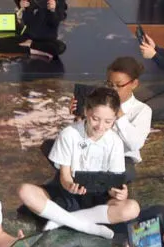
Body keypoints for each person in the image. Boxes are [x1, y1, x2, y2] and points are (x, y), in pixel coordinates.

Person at [18, 87, 140, 238]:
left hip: (99, 198)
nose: (100, 126)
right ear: (87, 111)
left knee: (132, 208)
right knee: (25, 191)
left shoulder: (115, 141)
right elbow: (65, 177)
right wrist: (71, 186)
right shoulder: (69, 134)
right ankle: (85, 226)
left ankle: (63, 221)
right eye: (95, 119)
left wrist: (118, 192)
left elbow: (113, 183)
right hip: (67, 194)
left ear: (115, 118)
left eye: (108, 121)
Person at [68, 57, 152, 180]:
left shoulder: (142, 110)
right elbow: (85, 134)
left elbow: (135, 144)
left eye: (119, 85)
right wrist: (78, 116)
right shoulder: (97, 100)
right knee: (57, 151)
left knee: (125, 174)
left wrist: (119, 114)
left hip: (122, 157)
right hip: (92, 150)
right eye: (109, 84)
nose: (113, 90)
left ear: (134, 84)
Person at [0, 0, 68, 60]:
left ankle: (31, 46)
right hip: (28, 37)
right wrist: (22, 8)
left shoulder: (58, 1)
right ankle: (35, 50)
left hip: (47, 39)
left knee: (60, 47)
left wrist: (52, 10)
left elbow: (54, 22)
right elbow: (27, 21)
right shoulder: (29, 1)